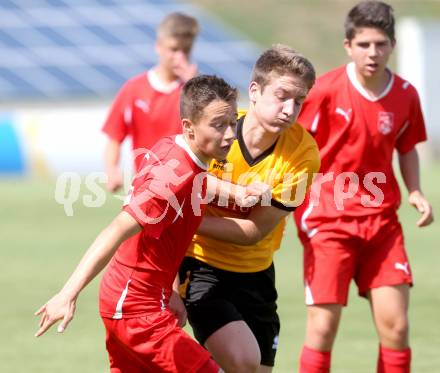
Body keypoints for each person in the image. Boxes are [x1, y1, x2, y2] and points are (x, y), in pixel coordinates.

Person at [34, 75, 239, 373]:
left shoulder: (174, 148)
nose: (230, 133)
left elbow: (166, 229)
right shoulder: (175, 176)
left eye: (233, 121)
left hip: (135, 298)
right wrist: (67, 294)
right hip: (135, 307)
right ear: (189, 127)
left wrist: (168, 290)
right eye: (219, 125)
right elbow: (117, 228)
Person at [293, 2, 434, 372]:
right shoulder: (323, 91)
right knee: (322, 328)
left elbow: (407, 147)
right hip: (328, 221)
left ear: (392, 45)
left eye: (381, 44)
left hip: (381, 224)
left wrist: (415, 190)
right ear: (348, 46)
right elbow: (293, 146)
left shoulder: (405, 95)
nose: (373, 53)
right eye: (364, 44)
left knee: (397, 327)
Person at [179, 45, 321, 373]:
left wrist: (188, 219)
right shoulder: (215, 131)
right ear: (254, 92)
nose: (289, 109)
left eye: (298, 102)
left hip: (256, 273)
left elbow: (254, 233)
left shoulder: (304, 155)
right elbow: (177, 184)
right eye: (282, 96)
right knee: (243, 362)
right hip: (202, 267)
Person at [103, 12, 199, 192]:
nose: (179, 57)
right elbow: (114, 136)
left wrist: (194, 87)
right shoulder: (134, 89)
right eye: (174, 49)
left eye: (185, 51)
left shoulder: (194, 91)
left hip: (188, 188)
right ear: (159, 46)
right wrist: (111, 169)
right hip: (146, 187)